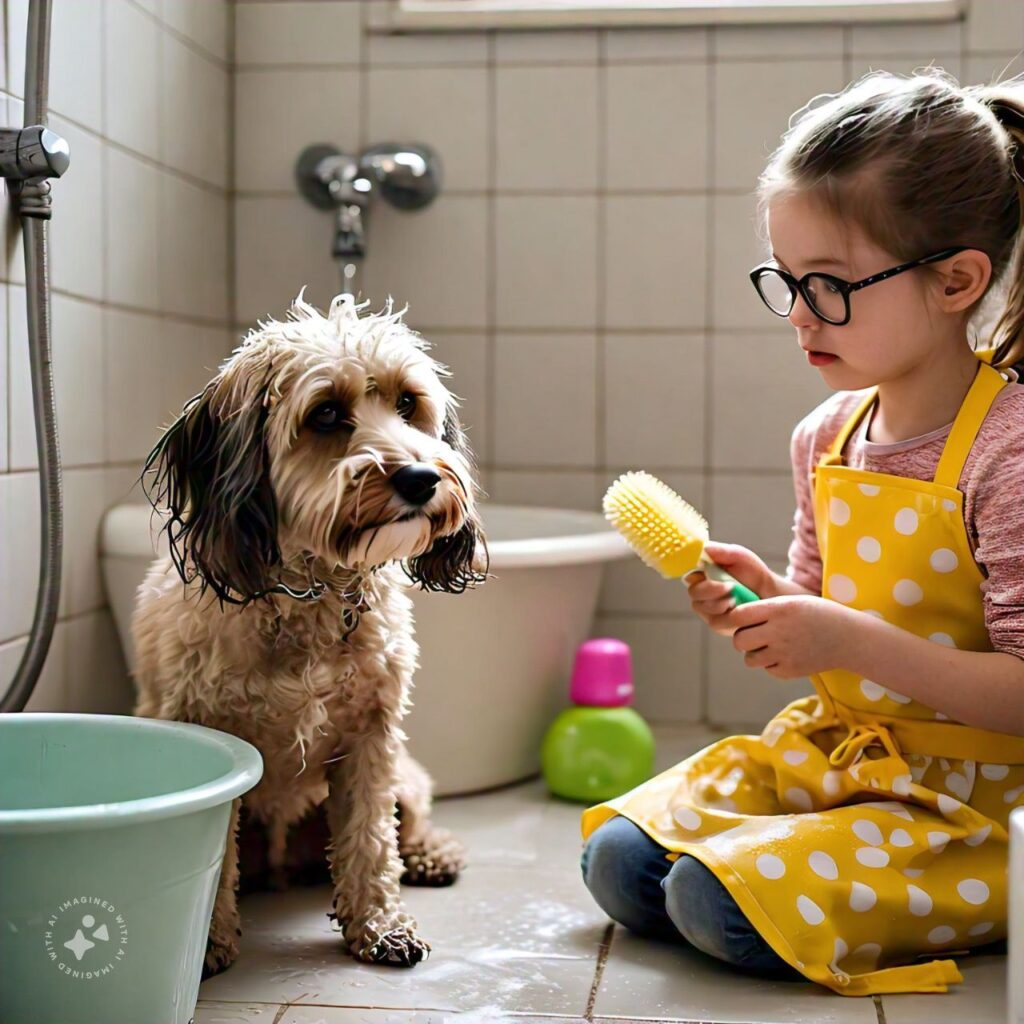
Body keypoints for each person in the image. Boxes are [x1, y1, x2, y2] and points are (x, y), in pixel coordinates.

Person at [580, 68, 1024, 996]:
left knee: (711, 901)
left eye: (829, 285)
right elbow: (824, 628)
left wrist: (845, 636)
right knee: (621, 860)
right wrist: (767, 605)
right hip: (845, 759)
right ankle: (780, 875)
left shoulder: (1008, 451)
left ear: (956, 280)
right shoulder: (826, 438)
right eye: (786, 280)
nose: (797, 313)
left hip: (974, 803)